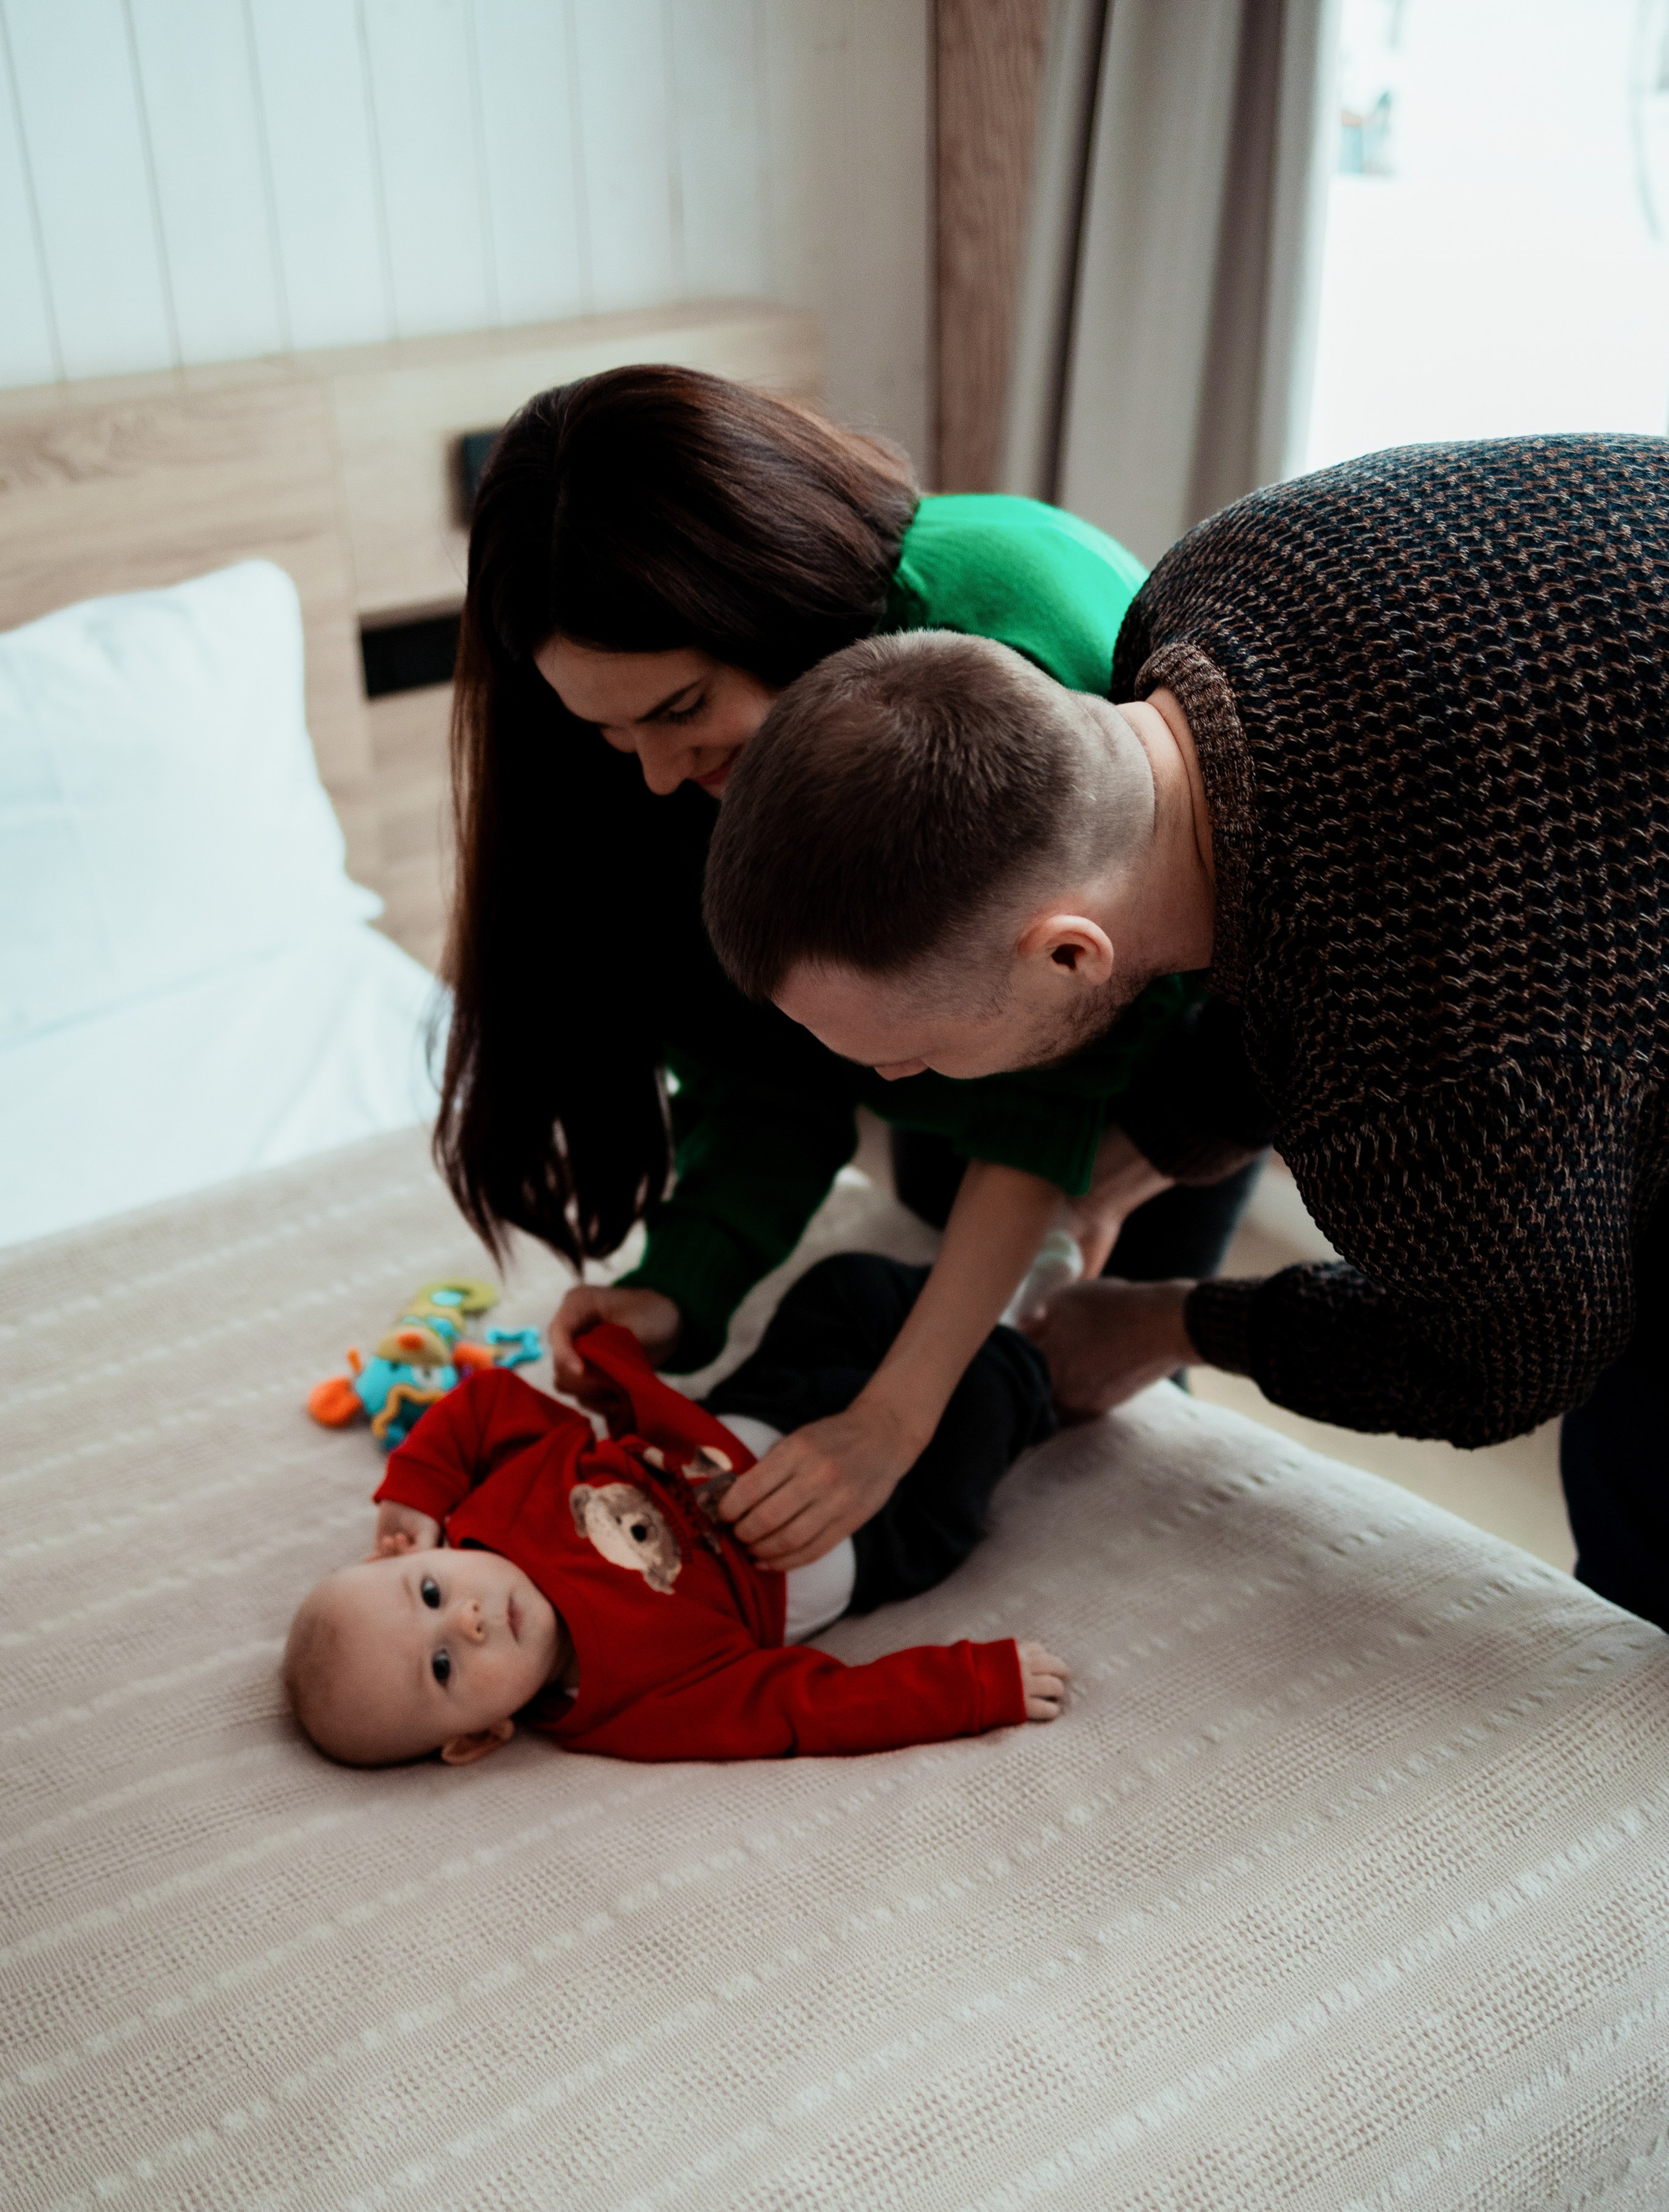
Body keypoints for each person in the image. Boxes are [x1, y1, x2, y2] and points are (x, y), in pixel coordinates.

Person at [699, 435, 1669, 1629]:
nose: (894, 1079)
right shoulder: (1220, 578)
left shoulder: (1422, 1093)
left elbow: (1507, 1358)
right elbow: (1313, 898)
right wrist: (1153, 1148)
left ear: (1070, 953)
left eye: (915, 1051)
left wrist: (1166, 1321)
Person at [436, 365, 1258, 1582]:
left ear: (770, 596)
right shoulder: (661, 785)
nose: (659, 775)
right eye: (613, 738)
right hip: (983, 1066)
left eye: (679, 709)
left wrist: (898, 1415)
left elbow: (1047, 1103)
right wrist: (684, 1282)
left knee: (1093, 1404)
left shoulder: (1028, 622)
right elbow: (768, 1075)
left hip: (1158, 1063)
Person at [283, 1252, 1068, 1767]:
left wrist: (414, 1490)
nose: (469, 1621)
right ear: (478, 1738)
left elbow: (486, 1402)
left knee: (845, 1286)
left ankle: (990, 1281)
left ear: (412, 1554)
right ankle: (1037, 1328)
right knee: (994, 1394)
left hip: (753, 1408)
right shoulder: (629, 1709)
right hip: (878, 1524)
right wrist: (972, 1686)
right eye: (445, 1667)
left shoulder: (495, 1510)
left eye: (429, 1592)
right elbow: (809, 1710)